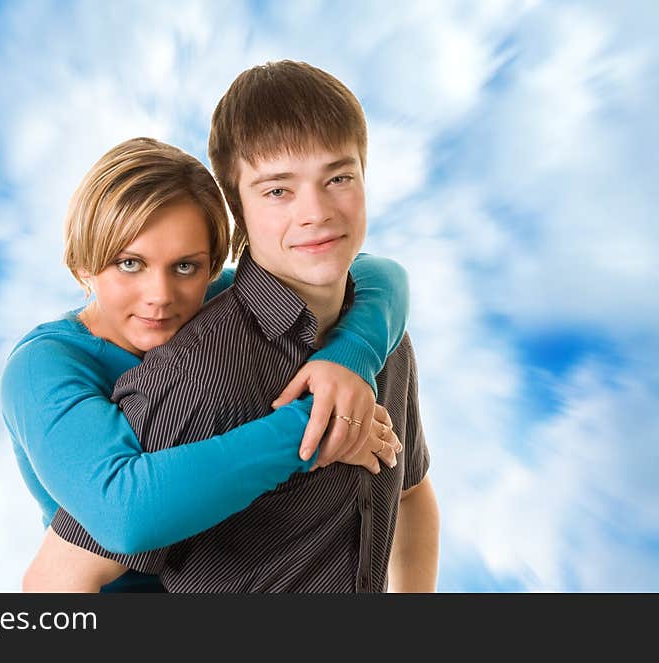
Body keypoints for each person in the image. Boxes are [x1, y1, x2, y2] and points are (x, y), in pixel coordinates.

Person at [37, 60, 439, 593]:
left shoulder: (384, 338)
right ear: (238, 212)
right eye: (278, 191)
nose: (316, 212)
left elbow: (411, 494)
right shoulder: (198, 373)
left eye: (338, 178)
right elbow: (55, 582)